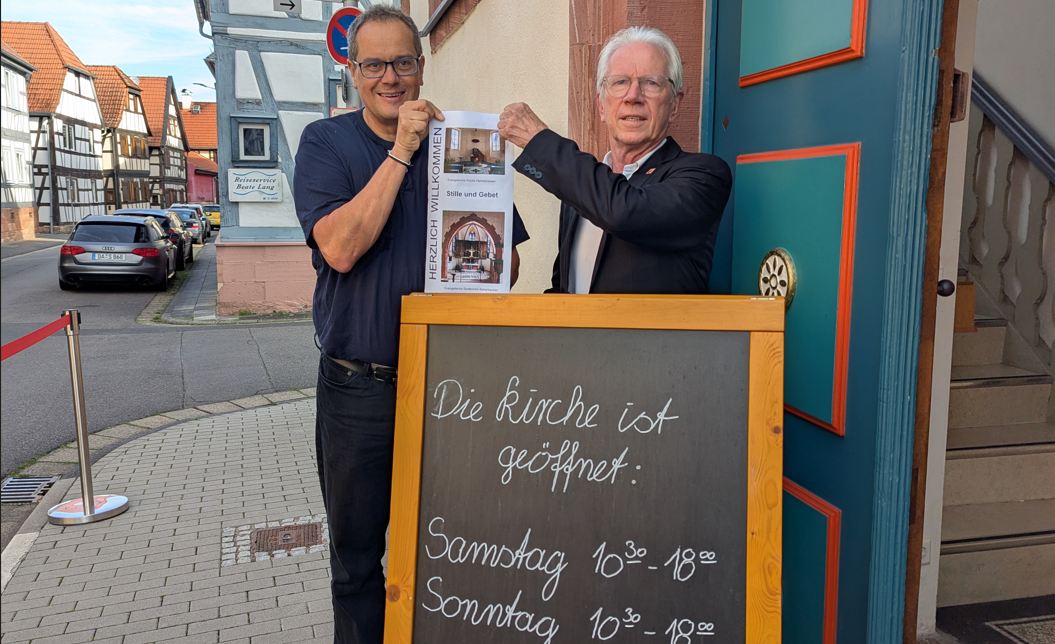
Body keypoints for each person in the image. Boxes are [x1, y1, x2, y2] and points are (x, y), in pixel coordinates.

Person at [293, 7, 528, 643]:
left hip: (451, 388)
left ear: (422, 67)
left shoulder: (463, 147)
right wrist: (402, 151)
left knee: (450, 551)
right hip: (359, 389)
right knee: (358, 561)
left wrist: (484, 249)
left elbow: (505, 264)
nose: (390, 77)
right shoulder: (324, 143)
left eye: (403, 62)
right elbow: (341, 248)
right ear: (352, 70)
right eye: (374, 64)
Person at [498, 26, 731, 294]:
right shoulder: (582, 190)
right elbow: (565, 290)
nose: (633, 96)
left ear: (675, 104)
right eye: (620, 82)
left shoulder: (704, 175)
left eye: (651, 83)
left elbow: (624, 212)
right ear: (601, 105)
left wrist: (540, 142)